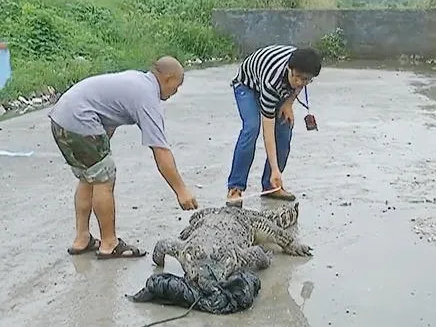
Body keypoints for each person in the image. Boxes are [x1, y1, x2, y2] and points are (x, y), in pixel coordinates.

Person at [48, 56, 198, 259]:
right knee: (103, 179)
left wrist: (100, 147)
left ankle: (82, 238)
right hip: (80, 120)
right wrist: (182, 191)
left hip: (60, 119)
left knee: (88, 177)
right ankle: (109, 243)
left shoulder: (136, 81)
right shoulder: (147, 96)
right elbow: (160, 150)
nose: (175, 92)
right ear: (168, 79)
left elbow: (107, 114)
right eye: (176, 86)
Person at [226, 45, 322, 206]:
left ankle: (271, 187)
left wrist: (289, 103)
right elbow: (268, 130)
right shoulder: (273, 81)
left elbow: (299, 86)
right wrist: (275, 168)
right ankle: (235, 188)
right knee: (251, 128)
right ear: (288, 68)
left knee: (285, 127)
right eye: (296, 76)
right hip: (247, 86)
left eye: (306, 79)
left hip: (276, 88)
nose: (299, 82)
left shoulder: (302, 69)